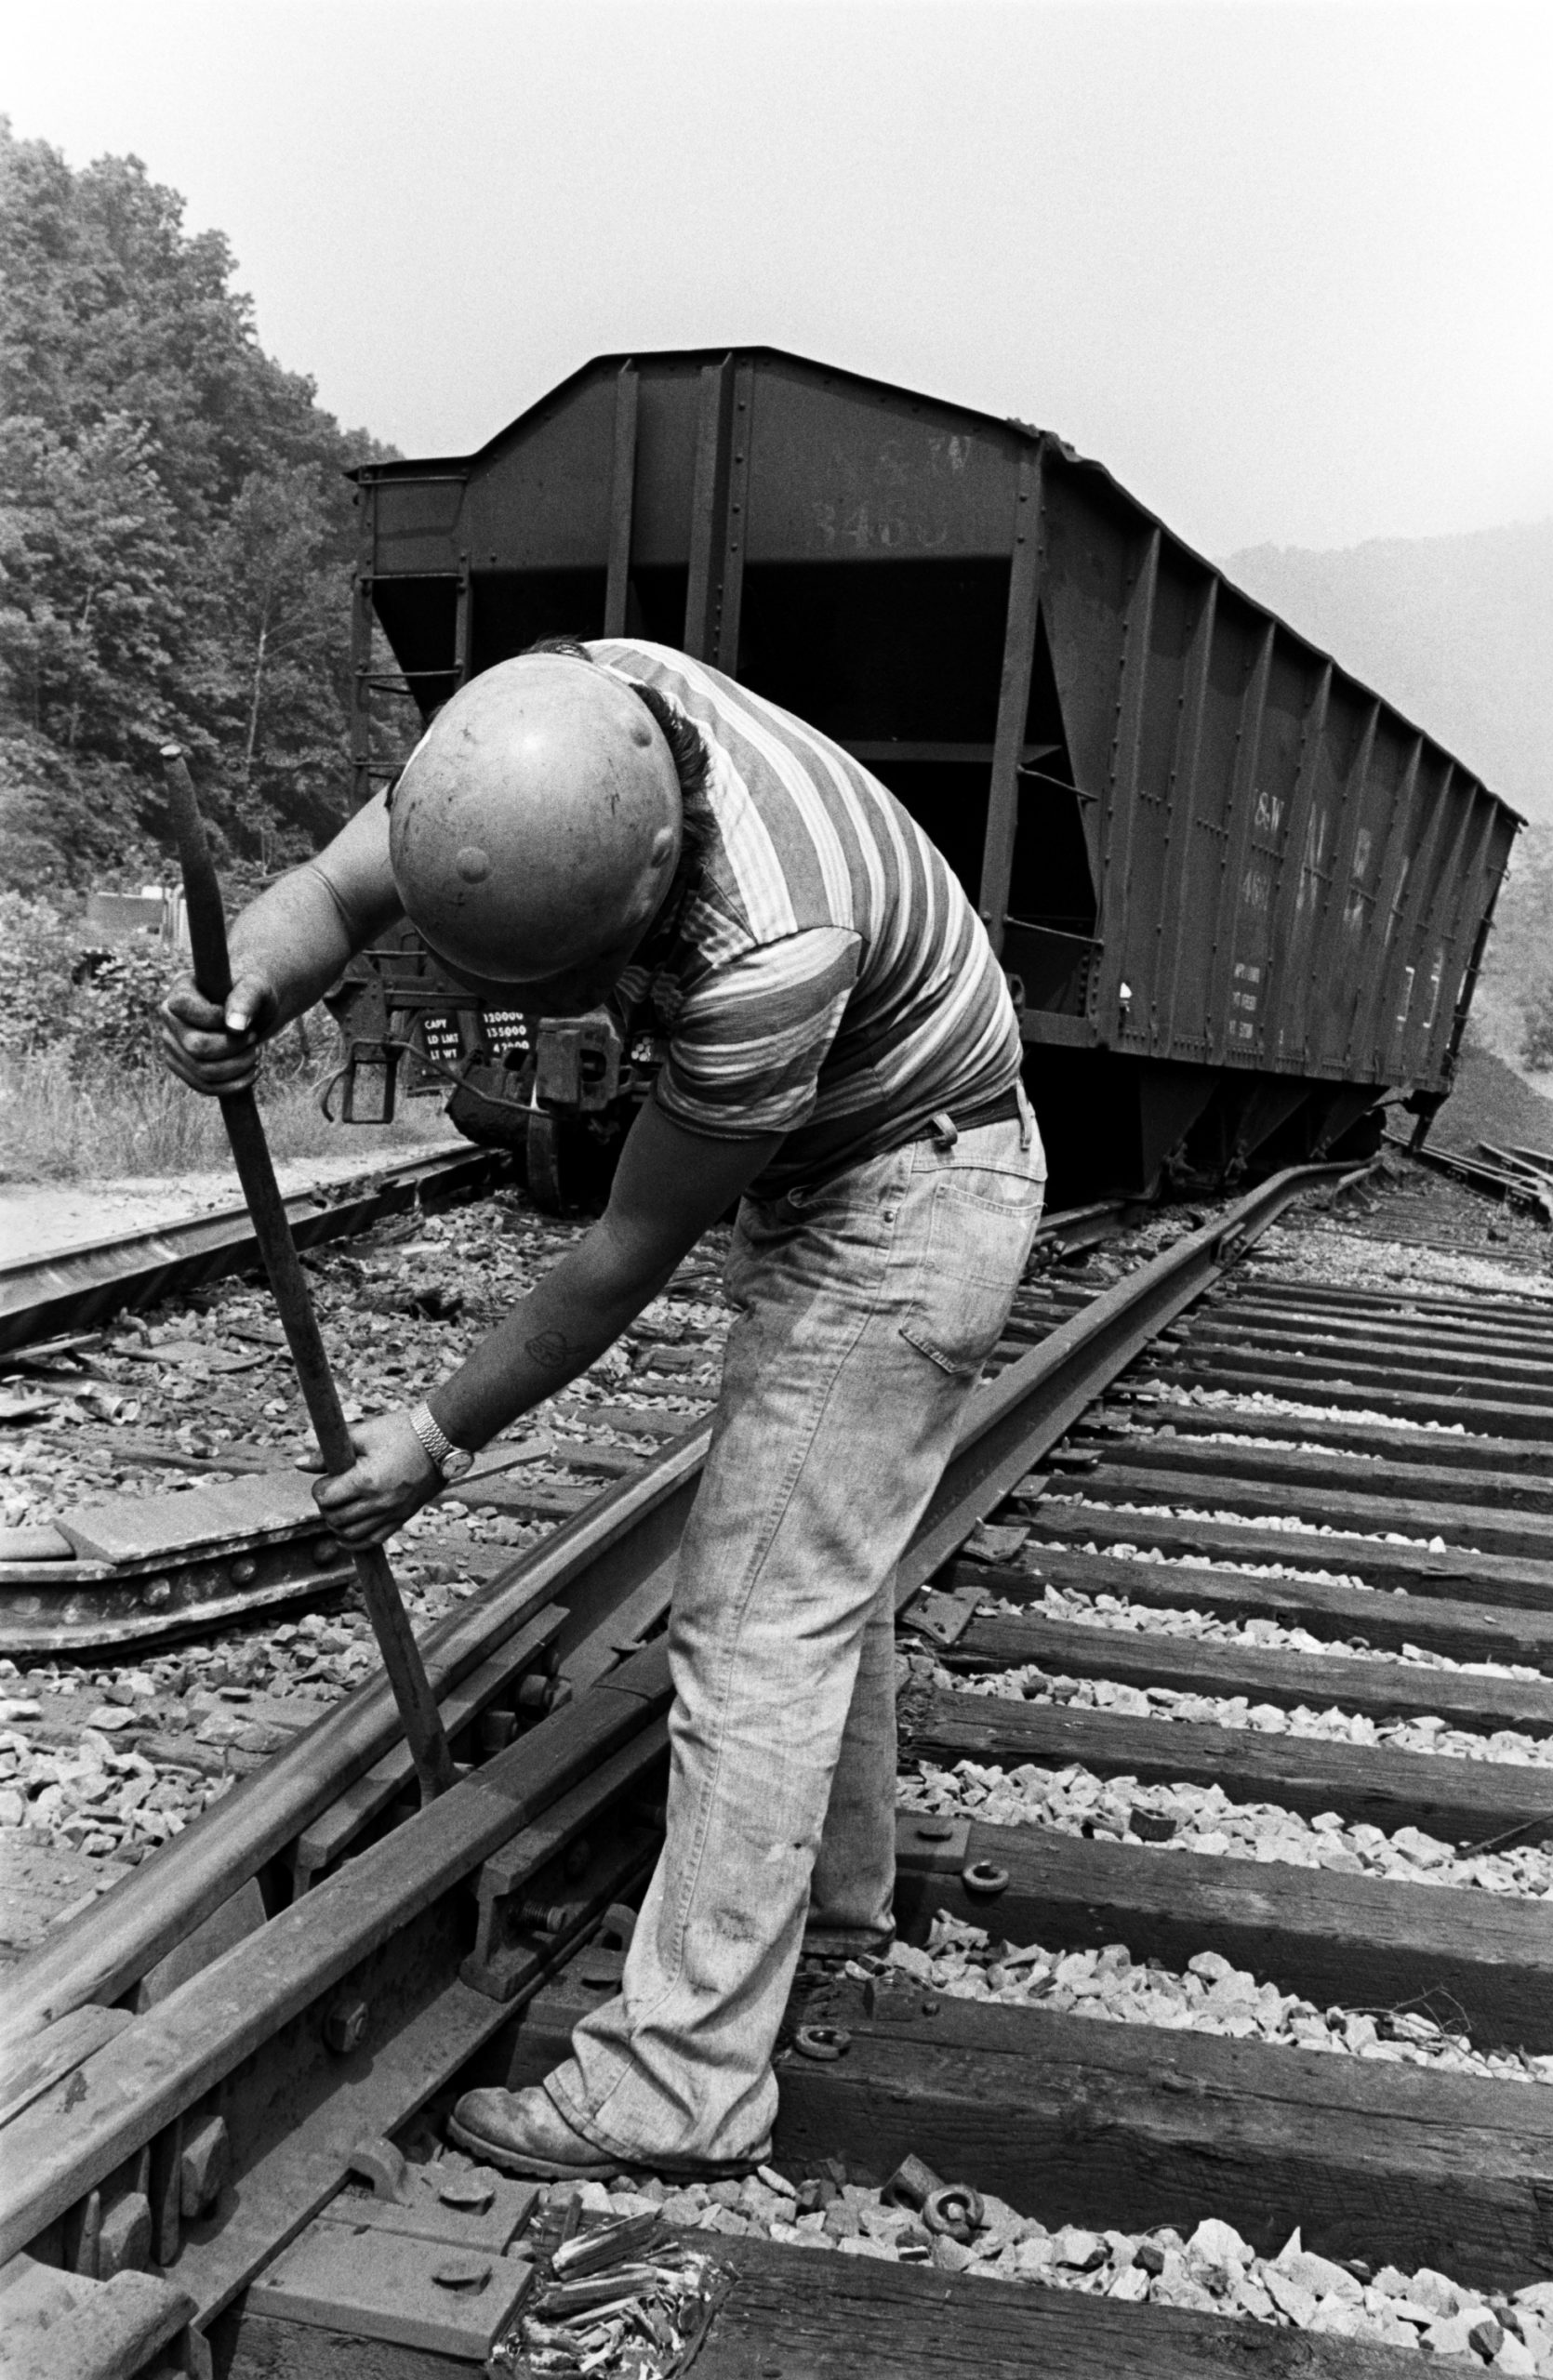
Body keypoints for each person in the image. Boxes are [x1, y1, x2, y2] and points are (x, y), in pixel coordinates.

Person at [161, 638, 1045, 2179]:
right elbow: (333, 888)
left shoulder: (772, 950)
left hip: (913, 1193)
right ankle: (834, 1900)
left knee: (757, 1625)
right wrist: (252, 986)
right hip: (851, 1159)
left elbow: (622, 1252)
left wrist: (431, 1437)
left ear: (648, 888)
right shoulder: (526, 750)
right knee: (814, 1573)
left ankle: (681, 2088)